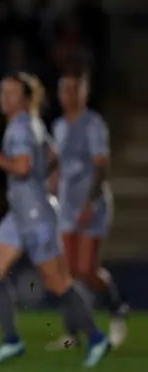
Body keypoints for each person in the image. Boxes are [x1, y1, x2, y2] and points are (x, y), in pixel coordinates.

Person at [0, 72, 110, 368]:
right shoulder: (29, 125)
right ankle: (11, 340)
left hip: (36, 216)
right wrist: (48, 185)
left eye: (11, 92)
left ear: (25, 99)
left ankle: (96, 336)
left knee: (58, 283)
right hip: (20, 213)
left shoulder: (21, 128)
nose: (4, 97)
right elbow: (52, 154)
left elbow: (23, 167)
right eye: (2, 91)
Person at [45, 70, 128, 350]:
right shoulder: (59, 126)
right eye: (64, 90)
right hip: (67, 207)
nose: (68, 95)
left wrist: (89, 203)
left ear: (84, 93)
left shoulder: (93, 125)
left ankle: (118, 309)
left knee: (87, 269)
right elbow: (58, 163)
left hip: (92, 205)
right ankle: (72, 332)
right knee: (68, 273)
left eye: (73, 89)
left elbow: (101, 166)